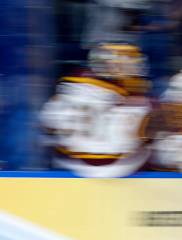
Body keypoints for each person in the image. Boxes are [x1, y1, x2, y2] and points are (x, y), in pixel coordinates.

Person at [40, 43, 151, 177]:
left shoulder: (74, 89)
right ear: (112, 66)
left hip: (71, 173)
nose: (135, 69)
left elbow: (49, 126)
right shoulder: (129, 101)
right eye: (129, 63)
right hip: (112, 172)